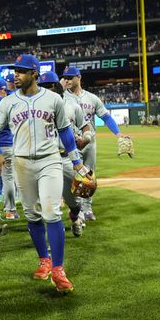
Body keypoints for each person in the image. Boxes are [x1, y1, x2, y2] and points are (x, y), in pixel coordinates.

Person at [0, 55, 86, 293]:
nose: (16, 75)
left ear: (34, 74)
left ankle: (58, 268)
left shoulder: (53, 99)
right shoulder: (8, 103)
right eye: (15, 71)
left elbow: (65, 132)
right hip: (22, 163)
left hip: (50, 161)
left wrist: (76, 162)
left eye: (22, 71)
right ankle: (43, 259)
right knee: (33, 215)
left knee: (51, 212)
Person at [61, 66, 125, 221]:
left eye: (71, 77)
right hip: (71, 144)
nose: (68, 80)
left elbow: (106, 117)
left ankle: (87, 208)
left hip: (90, 143)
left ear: (79, 77)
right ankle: (76, 208)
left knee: (89, 177)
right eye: (65, 78)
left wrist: (118, 134)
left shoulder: (92, 98)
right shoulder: (61, 98)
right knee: (72, 177)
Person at [38, 71, 91, 237]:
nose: (47, 89)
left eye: (50, 86)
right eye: (44, 86)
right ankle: (50, 236)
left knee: (73, 202)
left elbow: (85, 126)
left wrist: (86, 138)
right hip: (46, 159)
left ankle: (75, 216)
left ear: (57, 87)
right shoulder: (37, 108)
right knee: (46, 202)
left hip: (67, 158)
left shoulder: (71, 106)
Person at [0, 80, 20, 220]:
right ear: (3, 90)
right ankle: (10, 210)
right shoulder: (9, 103)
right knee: (8, 178)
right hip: (7, 145)